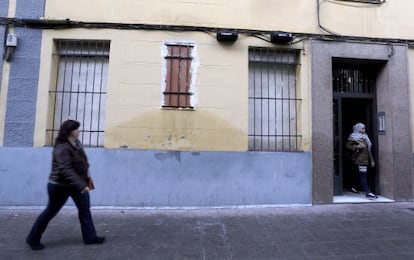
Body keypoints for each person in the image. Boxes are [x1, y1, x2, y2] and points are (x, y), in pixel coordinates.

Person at [26, 120, 105, 250]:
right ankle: (33, 238)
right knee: (50, 212)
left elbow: (81, 162)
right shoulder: (62, 147)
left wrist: (86, 177)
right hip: (60, 186)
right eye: (77, 129)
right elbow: (66, 169)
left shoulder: (75, 143)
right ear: (69, 131)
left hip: (77, 184)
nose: (79, 131)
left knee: (85, 210)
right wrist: (81, 185)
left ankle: (90, 237)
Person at [345, 123, 378, 199]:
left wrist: (372, 160)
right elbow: (347, 146)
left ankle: (351, 187)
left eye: (364, 128)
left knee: (356, 173)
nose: (364, 130)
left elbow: (368, 150)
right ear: (358, 129)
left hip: (365, 160)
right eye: (362, 129)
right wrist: (357, 146)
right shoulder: (353, 137)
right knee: (363, 175)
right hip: (359, 160)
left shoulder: (365, 137)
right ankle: (368, 193)